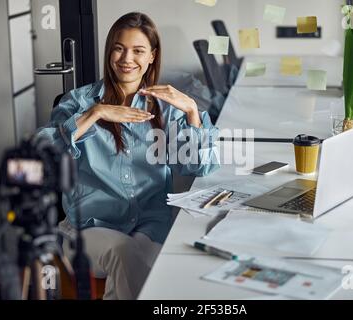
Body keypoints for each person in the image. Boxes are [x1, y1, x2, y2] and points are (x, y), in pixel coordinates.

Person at [36, 12, 220, 299]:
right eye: (119, 48)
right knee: (127, 255)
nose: (126, 58)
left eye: (138, 50)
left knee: (142, 265)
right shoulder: (79, 102)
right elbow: (40, 154)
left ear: (151, 56)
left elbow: (201, 165)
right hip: (89, 231)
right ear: (110, 51)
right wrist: (95, 114)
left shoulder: (165, 107)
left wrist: (193, 113)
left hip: (148, 227)